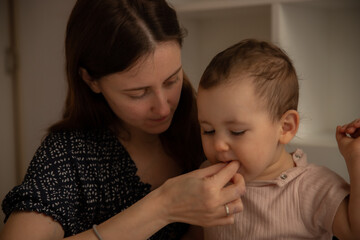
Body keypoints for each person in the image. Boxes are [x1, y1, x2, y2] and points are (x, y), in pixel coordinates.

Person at [0, 0, 246, 239]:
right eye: (138, 93)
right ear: (91, 80)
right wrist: (162, 207)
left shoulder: (209, 124)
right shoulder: (69, 155)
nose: (163, 107)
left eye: (172, 80)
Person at [196, 39, 360, 239]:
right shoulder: (207, 180)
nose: (218, 145)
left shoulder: (312, 187)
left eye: (237, 131)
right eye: (208, 130)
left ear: (285, 127)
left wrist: (357, 159)